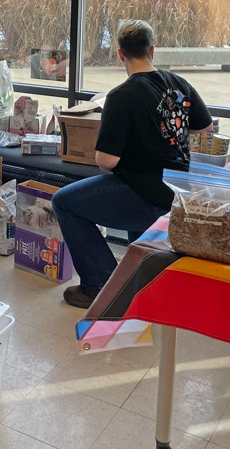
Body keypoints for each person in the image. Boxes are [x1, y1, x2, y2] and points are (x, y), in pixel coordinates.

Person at [53, 20, 213, 308]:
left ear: (119, 54)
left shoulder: (121, 96)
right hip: (176, 192)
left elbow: (106, 161)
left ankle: (98, 285)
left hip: (145, 195)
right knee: (127, 191)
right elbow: (203, 126)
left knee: (64, 201)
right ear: (153, 50)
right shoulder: (179, 85)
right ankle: (141, 280)